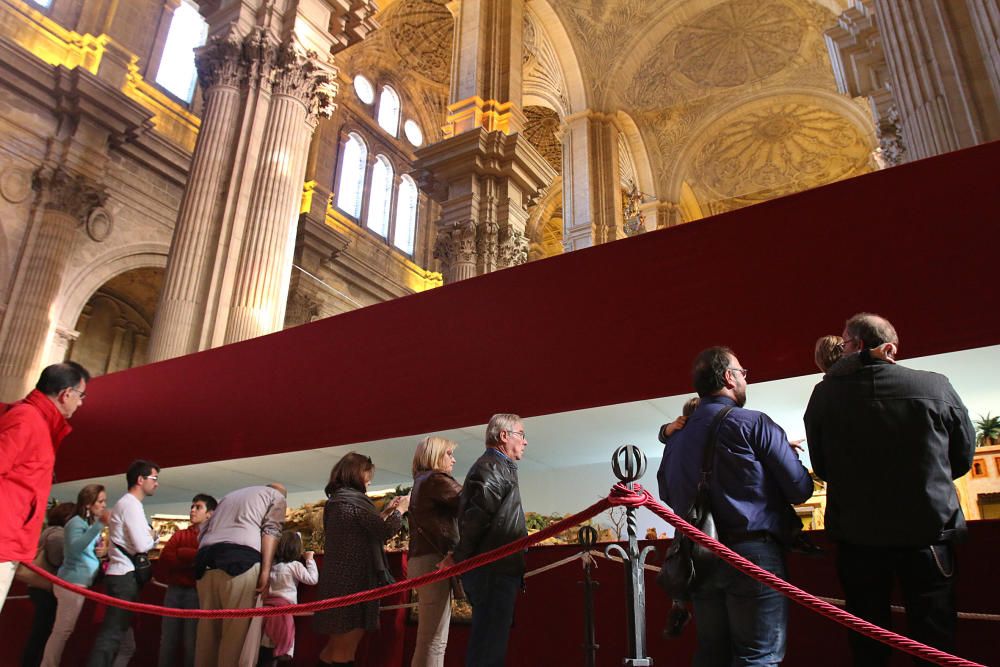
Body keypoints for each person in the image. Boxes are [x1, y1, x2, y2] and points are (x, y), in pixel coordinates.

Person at [804, 313, 975, 665]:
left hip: (858, 539)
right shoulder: (936, 387)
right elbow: (961, 458)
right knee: (935, 641)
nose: (844, 351)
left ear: (871, 347)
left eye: (847, 344)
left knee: (868, 640)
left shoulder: (825, 396)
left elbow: (822, 468)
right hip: (928, 535)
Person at [657, 347, 814, 666]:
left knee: (712, 654)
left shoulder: (676, 439)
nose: (744, 378)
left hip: (700, 557)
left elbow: (668, 495)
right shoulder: (754, 423)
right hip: (751, 554)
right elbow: (799, 489)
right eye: (742, 372)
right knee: (757, 655)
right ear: (729, 377)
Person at [0, 361, 90, 611]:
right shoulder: (27, 420)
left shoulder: (36, 422)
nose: (81, 403)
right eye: (81, 396)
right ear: (66, 394)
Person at [446, 413, 529, 667]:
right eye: (521, 435)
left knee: (490, 643)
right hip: (493, 570)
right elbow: (477, 518)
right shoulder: (493, 466)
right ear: (504, 436)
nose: (525, 442)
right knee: (488, 648)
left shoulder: (497, 466)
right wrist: (458, 557)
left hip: (494, 569)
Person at [314, 453, 408, 667]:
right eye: (367, 474)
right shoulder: (354, 502)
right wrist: (401, 511)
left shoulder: (338, 501)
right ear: (356, 473)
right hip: (354, 583)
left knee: (333, 647)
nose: (370, 480)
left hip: (338, 583)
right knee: (345, 649)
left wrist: (386, 512)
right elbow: (383, 532)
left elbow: (364, 529)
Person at [194, 483, 287, 667]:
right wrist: (266, 571)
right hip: (240, 563)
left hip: (205, 563)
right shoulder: (276, 496)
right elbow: (271, 530)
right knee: (236, 639)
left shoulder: (229, 496)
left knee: (207, 636)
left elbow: (203, 531)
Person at [87, 460, 160, 667]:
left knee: (115, 636)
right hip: (124, 578)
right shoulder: (131, 505)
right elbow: (140, 545)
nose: (156, 484)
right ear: (140, 479)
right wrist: (153, 537)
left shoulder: (126, 504)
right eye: (154, 479)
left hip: (118, 575)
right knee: (111, 636)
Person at [408, 436, 462, 667]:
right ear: (435, 454)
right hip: (434, 560)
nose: (453, 459)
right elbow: (470, 502)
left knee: (432, 639)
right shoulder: (435, 479)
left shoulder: (422, 480)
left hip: (423, 559)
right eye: (449, 453)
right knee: (433, 640)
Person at [41, 486, 110, 667]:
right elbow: (75, 548)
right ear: (88, 504)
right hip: (71, 584)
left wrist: (101, 552)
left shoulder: (85, 524)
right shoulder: (76, 523)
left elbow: (84, 550)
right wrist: (99, 525)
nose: (104, 505)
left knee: (63, 630)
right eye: (100, 501)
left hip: (79, 583)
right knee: (62, 631)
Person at [157, 493, 217, 667]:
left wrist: (183, 553)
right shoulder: (180, 534)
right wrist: (194, 560)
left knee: (192, 641)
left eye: (198, 507)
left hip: (197, 592)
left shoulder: (212, 536)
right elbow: (166, 558)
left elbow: (209, 560)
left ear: (210, 513)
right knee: (168, 639)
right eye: (192, 506)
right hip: (174, 591)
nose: (192, 510)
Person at [22, 501, 75, 667]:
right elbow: (58, 561)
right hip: (46, 588)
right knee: (43, 633)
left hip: (37, 586)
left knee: (40, 632)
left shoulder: (47, 532)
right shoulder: (58, 536)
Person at [259, 530, 318, 665]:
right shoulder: (294, 566)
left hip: (265, 609)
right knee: (281, 643)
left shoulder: (270, 566)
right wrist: (309, 559)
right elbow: (312, 579)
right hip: (284, 610)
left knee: (265, 645)